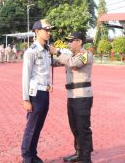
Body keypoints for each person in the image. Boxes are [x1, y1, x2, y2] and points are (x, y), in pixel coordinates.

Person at [49, 32, 93, 163]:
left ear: (79, 42)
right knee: (74, 125)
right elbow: (57, 62)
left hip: (82, 96)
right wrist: (48, 54)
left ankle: (86, 157)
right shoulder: (70, 55)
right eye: (67, 41)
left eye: (71, 41)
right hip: (72, 96)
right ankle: (79, 152)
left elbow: (74, 64)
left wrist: (57, 53)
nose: (68, 43)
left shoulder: (86, 54)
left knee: (83, 126)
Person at [21, 19, 54, 163]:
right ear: (37, 31)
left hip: (45, 93)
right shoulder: (31, 51)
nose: (48, 33)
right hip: (35, 95)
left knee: (38, 126)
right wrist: (26, 99)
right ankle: (26, 157)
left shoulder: (47, 50)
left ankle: (33, 154)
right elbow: (26, 75)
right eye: (46, 30)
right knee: (31, 127)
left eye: (49, 30)